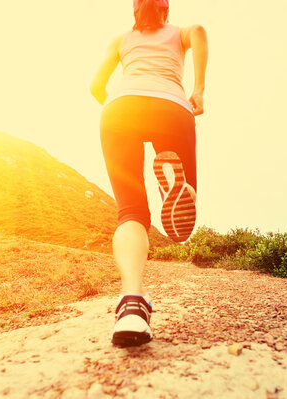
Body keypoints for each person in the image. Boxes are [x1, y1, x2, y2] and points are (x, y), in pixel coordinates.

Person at [90, 0, 208, 347]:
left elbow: (96, 86)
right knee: (189, 192)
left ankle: (131, 304)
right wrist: (198, 90)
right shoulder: (179, 33)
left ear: (135, 10)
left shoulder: (121, 40)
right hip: (171, 106)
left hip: (120, 108)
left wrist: (122, 104)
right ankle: (172, 180)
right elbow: (199, 32)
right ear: (165, 9)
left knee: (130, 212)